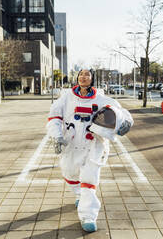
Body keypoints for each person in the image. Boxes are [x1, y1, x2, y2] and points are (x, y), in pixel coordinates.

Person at [46, 69, 133, 232]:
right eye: (81, 74)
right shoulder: (66, 97)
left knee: (89, 179)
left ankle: (88, 215)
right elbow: (54, 117)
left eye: (87, 75)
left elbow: (122, 113)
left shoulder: (102, 98)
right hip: (72, 143)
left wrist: (124, 123)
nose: (83, 77)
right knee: (69, 173)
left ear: (92, 79)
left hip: (94, 144)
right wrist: (57, 136)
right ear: (77, 78)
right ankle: (79, 194)